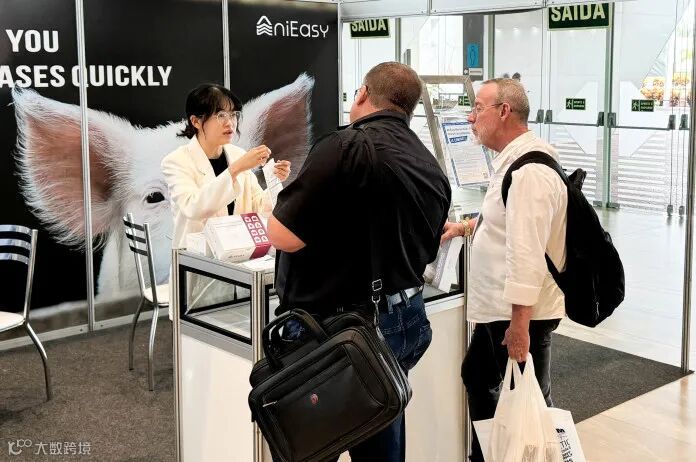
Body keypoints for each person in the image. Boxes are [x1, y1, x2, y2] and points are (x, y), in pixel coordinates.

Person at [267, 62, 451, 462]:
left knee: (311, 442)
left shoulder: (343, 147)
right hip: (402, 319)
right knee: (378, 431)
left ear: (364, 93)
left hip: (334, 328)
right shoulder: (428, 164)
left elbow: (281, 234)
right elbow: (425, 247)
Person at [441, 78, 567, 462]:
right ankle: (487, 455)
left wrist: (519, 326)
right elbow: (506, 221)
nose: (470, 117)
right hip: (500, 310)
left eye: (478, 108)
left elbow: (527, 253)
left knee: (531, 405)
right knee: (478, 376)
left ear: (504, 111)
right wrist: (465, 227)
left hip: (518, 315)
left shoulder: (529, 171)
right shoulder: (513, 161)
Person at [162, 83, 291, 251]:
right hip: (196, 257)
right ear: (196, 121)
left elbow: (258, 207)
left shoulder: (238, 155)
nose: (230, 123)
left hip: (238, 253)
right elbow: (193, 207)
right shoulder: (176, 161)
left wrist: (275, 179)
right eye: (220, 115)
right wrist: (235, 169)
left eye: (233, 115)